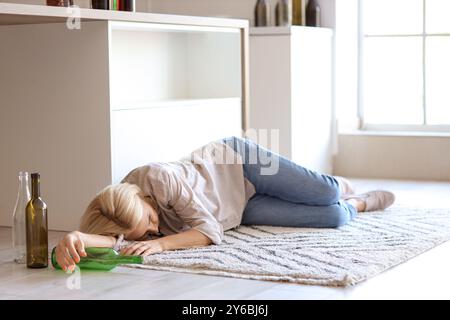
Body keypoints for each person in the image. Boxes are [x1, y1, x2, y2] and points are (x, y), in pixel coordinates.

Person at [54, 136, 395, 272]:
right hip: (236, 207)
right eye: (146, 233)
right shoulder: (126, 216)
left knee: (325, 195)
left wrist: (160, 244)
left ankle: (340, 185)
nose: (155, 229)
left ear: (142, 199)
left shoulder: (158, 179)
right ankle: (360, 204)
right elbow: (119, 240)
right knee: (335, 216)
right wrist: (75, 238)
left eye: (150, 220)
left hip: (237, 163)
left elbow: (209, 232)